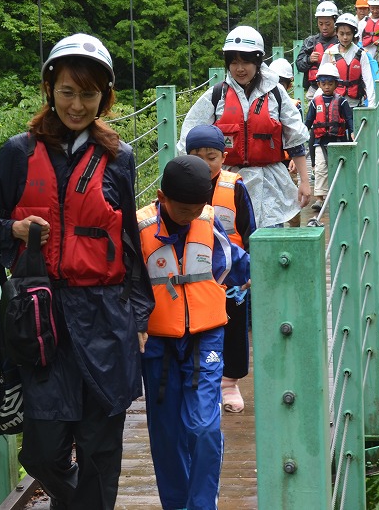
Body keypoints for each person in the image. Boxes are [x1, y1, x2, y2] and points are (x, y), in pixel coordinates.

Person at [0, 33, 154, 510]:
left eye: (89, 94)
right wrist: (13, 229)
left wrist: (139, 315)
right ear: (49, 90)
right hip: (42, 319)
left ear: (106, 97)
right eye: (67, 92)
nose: (77, 105)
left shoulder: (119, 159)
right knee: (41, 452)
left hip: (104, 318)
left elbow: (127, 244)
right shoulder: (18, 152)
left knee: (101, 449)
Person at [137, 155, 250, 510]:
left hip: (206, 337)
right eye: (183, 209)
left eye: (197, 207)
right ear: (161, 196)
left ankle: (202, 506)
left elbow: (238, 264)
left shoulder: (209, 222)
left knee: (203, 428)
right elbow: (122, 283)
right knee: (166, 435)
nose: (191, 215)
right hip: (156, 343)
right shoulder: (138, 228)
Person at [178, 25, 312, 229]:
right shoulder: (217, 96)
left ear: (257, 62)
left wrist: (304, 181)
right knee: (231, 243)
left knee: (269, 244)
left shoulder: (275, 93)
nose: (240, 69)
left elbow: (294, 138)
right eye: (234, 62)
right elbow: (188, 139)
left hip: (270, 185)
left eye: (246, 62)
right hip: (227, 184)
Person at [185, 124, 256, 413]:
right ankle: (200, 381)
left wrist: (250, 271)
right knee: (195, 326)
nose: (205, 163)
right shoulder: (179, 184)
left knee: (234, 327)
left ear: (223, 157)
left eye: (211, 156)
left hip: (231, 276)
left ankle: (229, 383)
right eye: (197, 156)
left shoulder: (235, 187)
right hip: (193, 272)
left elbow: (249, 230)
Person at [304, 62, 354, 213]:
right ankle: (320, 198)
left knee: (340, 169)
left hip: (338, 141)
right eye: (323, 84)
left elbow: (349, 118)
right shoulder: (315, 102)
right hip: (320, 142)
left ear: (336, 84)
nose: (327, 87)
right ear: (319, 84)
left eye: (330, 84)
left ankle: (341, 195)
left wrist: (352, 132)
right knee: (320, 169)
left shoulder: (342, 101)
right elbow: (308, 121)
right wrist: (301, 135)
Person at [268, 57, 305, 228]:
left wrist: (295, 159)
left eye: (282, 83)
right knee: (273, 202)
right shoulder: (261, 104)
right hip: (270, 161)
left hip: (287, 160)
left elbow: (297, 135)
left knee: (292, 200)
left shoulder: (294, 105)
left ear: (289, 86)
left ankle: (294, 232)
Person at [323, 13, 377, 109]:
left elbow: (368, 81)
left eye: (348, 34)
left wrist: (371, 106)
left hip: (355, 104)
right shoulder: (329, 53)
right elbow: (321, 79)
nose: (345, 37)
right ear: (336, 33)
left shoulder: (361, 54)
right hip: (334, 104)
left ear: (353, 34)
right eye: (341, 34)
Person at [295, 1, 340, 99]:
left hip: (337, 89)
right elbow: (299, 65)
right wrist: (309, 59)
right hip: (314, 89)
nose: (324, 27)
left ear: (335, 21)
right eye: (321, 24)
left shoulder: (341, 42)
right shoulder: (310, 41)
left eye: (327, 24)